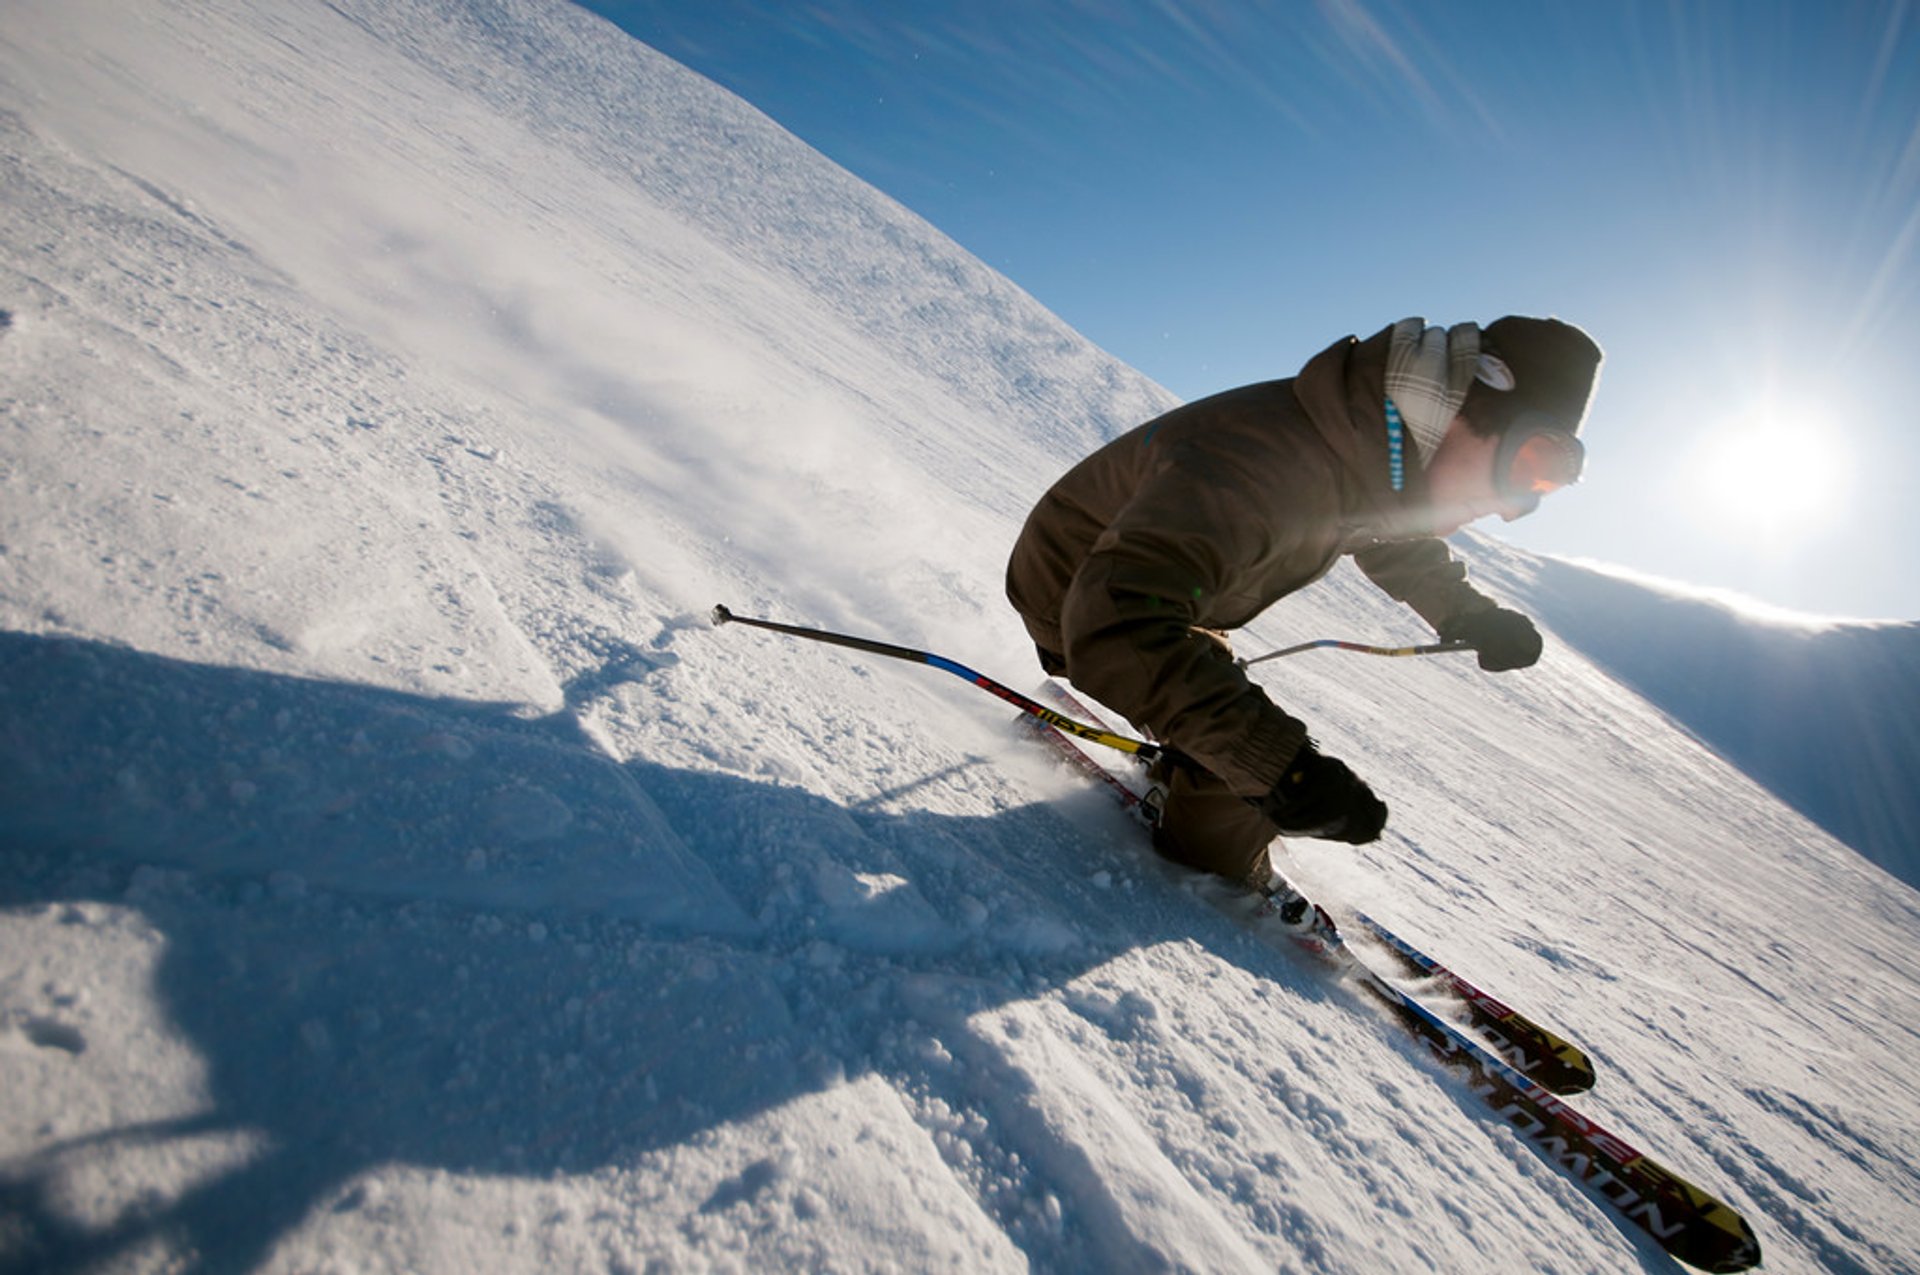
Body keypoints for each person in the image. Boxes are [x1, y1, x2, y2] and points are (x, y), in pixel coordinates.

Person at [1005, 316, 1602, 892]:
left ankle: (1195, 766)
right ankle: (1212, 861)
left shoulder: (1362, 445)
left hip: (1153, 593)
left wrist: (1464, 611)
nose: (1515, 508)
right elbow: (1115, 611)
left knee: (1227, 723)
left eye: (1550, 482)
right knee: (1240, 766)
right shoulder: (1269, 461)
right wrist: (1277, 771)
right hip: (1076, 591)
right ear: (1465, 400)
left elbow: (1389, 536)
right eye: (1534, 463)